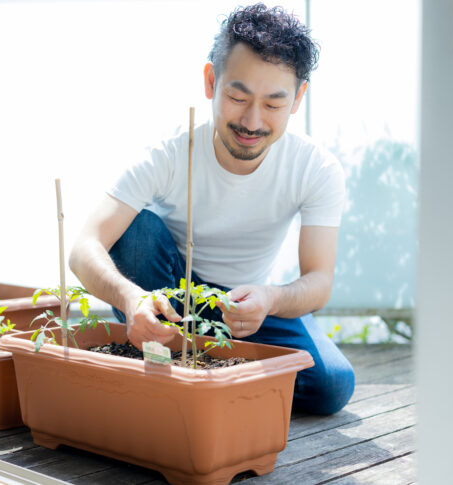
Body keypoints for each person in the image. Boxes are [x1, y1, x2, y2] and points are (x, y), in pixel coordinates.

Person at [69, 3, 354, 415]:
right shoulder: (169, 154)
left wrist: (270, 299)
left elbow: (319, 281)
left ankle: (193, 370)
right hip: (171, 291)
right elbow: (84, 247)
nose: (252, 121)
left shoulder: (316, 168)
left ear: (298, 98)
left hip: (251, 305)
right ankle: (179, 358)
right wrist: (132, 298)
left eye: (274, 104)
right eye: (238, 97)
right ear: (210, 81)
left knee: (331, 384)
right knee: (136, 233)